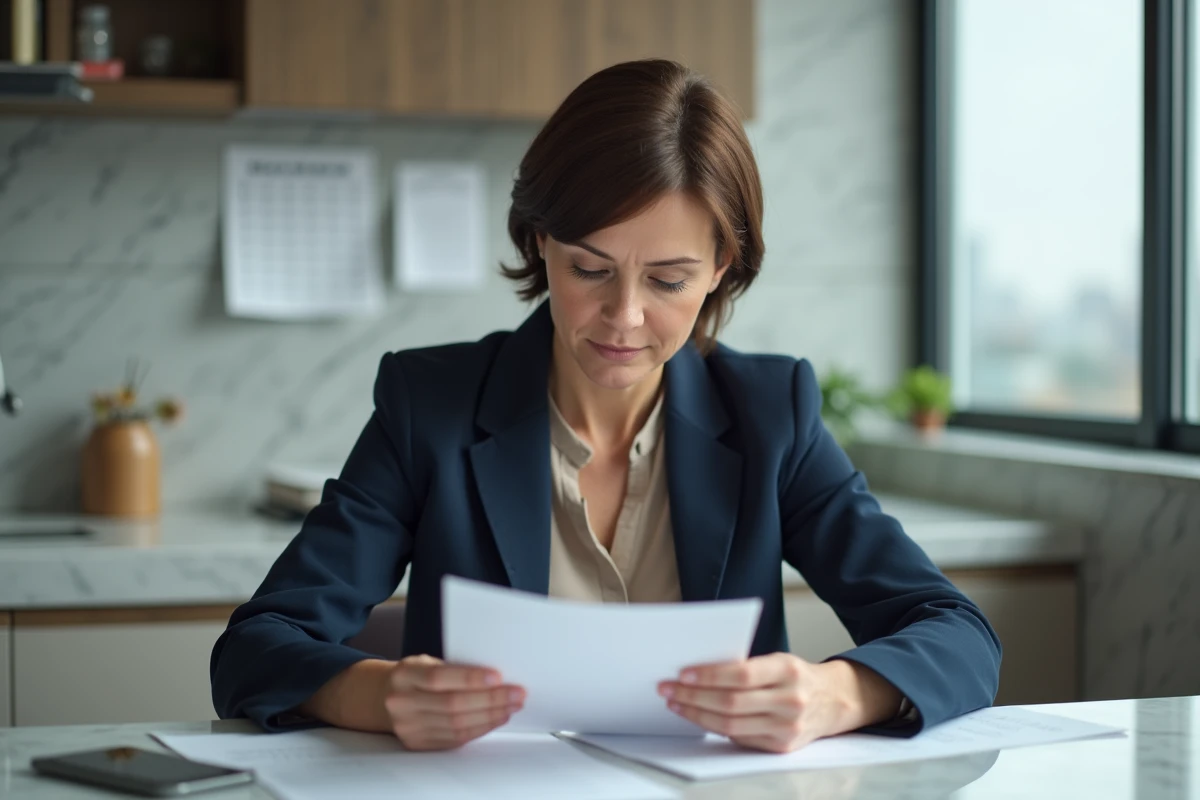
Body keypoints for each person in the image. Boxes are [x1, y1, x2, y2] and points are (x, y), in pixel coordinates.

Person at [211, 59, 1001, 755]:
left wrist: (837, 694)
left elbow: (958, 634)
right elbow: (257, 645)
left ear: (721, 268)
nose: (623, 317)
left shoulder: (772, 415)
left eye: (667, 280)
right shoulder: (432, 408)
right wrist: (376, 695)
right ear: (541, 242)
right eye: (590, 268)